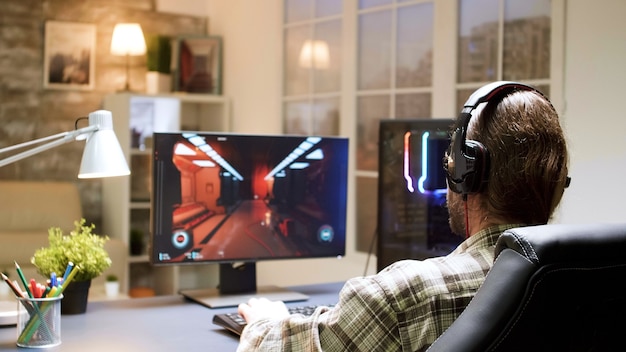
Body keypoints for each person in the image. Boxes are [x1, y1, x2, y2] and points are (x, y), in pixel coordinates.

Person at [236, 81, 570, 352]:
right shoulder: (592, 277)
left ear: (465, 176)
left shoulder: (404, 295)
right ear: (557, 184)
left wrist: (264, 322)